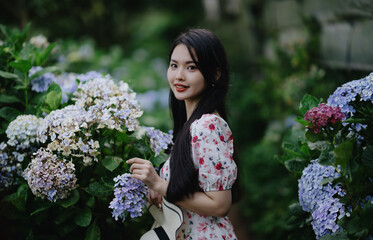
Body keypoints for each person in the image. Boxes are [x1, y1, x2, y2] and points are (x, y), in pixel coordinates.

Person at [127, 28, 238, 239]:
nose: (179, 76)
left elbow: (220, 205)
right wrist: (161, 182)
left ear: (215, 73)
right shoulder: (192, 124)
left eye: (191, 67)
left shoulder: (207, 126)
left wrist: (159, 184)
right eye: (174, 65)